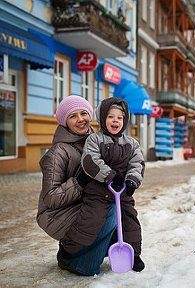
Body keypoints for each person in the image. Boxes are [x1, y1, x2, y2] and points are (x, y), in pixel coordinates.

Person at [61, 97, 145, 272]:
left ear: (125, 121)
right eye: (110, 117)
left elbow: (137, 163)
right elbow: (90, 161)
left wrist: (132, 180)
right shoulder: (94, 140)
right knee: (90, 221)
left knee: (130, 221)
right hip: (98, 191)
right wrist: (110, 176)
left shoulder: (131, 143)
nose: (115, 121)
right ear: (101, 119)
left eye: (119, 118)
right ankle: (69, 250)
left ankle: (134, 254)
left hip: (122, 192)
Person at [37, 95, 117, 276]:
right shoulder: (57, 153)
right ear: (65, 121)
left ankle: (78, 250)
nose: (80, 119)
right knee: (108, 210)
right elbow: (51, 198)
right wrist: (80, 181)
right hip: (55, 214)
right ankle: (73, 258)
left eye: (83, 113)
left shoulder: (97, 143)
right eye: (73, 116)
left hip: (84, 204)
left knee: (120, 207)